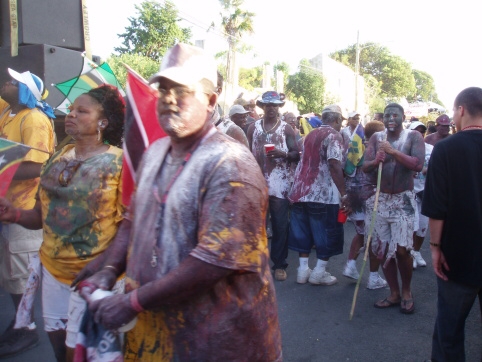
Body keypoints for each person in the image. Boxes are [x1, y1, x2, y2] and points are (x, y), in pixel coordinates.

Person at [76, 43, 282, 361]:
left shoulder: (230, 163)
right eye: (163, 89)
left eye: (182, 90)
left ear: (211, 100)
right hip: (156, 339)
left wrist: (131, 302)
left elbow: (212, 261)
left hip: (219, 344)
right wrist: (108, 269)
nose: (169, 99)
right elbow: (133, 220)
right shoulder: (156, 152)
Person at [0, 84, 125, 361]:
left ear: (103, 122)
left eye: (82, 111)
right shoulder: (57, 157)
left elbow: (129, 227)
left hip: (92, 277)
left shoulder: (118, 164)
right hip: (53, 274)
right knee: (60, 352)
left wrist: (108, 269)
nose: (71, 115)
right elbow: (40, 217)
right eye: (70, 109)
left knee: (77, 355)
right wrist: (14, 214)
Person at [422, 87, 482, 362]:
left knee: (450, 333)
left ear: (460, 111)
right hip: (461, 255)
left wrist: (434, 248)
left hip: (457, 255)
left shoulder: (445, 149)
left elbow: (437, 207)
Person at [0, 68, 55, 358]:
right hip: (8, 207)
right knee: (11, 273)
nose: (6, 83)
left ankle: (27, 328)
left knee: (21, 274)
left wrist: (1, 168)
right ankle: (19, 323)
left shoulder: (33, 119)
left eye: (13, 82)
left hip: (25, 208)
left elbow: (38, 165)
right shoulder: (9, 111)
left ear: (25, 92)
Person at [362, 103, 424, 314]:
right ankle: (394, 292)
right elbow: (364, 167)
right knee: (381, 249)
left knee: (402, 250)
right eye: (387, 114)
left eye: (395, 115)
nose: (390, 118)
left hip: (402, 200)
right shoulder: (376, 138)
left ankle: (406, 291)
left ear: (402, 117)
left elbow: (417, 164)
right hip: (379, 199)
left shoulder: (413, 137)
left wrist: (393, 152)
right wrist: (374, 161)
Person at [288, 105, 349, 285]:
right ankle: (319, 272)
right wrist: (344, 194)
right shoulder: (334, 135)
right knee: (327, 232)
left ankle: (302, 270)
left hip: (299, 192)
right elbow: (334, 164)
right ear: (337, 120)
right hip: (322, 194)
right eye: (341, 121)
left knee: (303, 233)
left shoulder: (309, 135)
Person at [247, 90, 300, 281]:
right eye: (268, 105)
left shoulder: (286, 129)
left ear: (279, 107)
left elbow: (297, 154)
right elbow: (246, 154)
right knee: (257, 226)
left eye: (275, 105)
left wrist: (283, 154)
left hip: (280, 184)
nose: (271, 108)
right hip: (257, 183)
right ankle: (257, 264)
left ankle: (279, 264)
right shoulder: (253, 128)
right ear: (262, 107)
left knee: (280, 226)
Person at [342, 120, 388, 290]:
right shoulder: (375, 148)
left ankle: (350, 265)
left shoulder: (354, 144)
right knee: (374, 237)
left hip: (353, 196)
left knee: (362, 233)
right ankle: (373, 277)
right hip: (369, 197)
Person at [408, 121, 433, 269]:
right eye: (416, 131)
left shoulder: (431, 148)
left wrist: (428, 169)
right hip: (410, 192)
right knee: (413, 225)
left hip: (426, 192)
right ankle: (410, 253)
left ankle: (417, 252)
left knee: (423, 226)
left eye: (422, 131)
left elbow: (438, 166)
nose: (420, 134)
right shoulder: (405, 148)